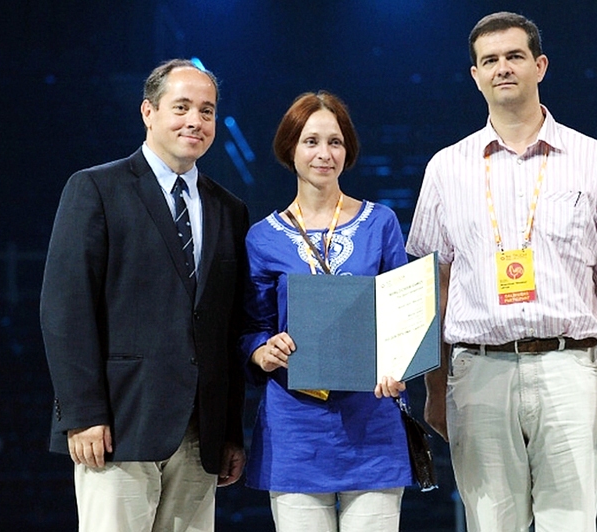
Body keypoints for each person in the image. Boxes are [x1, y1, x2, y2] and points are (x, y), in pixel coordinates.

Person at [406, 12, 597, 532]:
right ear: (475, 75)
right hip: (477, 371)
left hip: (570, 365)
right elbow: (436, 287)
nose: (502, 68)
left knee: (571, 524)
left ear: (539, 65)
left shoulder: (593, 158)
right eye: (489, 60)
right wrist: (435, 388)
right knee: (490, 525)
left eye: (514, 56)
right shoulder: (445, 168)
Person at [40, 58, 249, 532]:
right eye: (181, 107)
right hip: (117, 425)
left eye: (207, 111)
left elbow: (227, 327)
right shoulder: (96, 188)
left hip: (200, 436)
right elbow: (65, 309)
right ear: (148, 112)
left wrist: (230, 432)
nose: (195, 121)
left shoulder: (229, 209)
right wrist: (82, 413)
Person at [239, 91, 412, 532]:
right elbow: (252, 327)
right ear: (290, 149)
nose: (324, 153)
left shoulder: (381, 223)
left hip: (371, 422)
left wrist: (400, 366)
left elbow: (407, 315)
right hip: (295, 430)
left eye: (335, 142)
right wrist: (262, 351)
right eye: (311, 141)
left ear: (347, 150)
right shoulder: (262, 237)